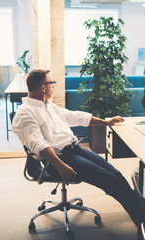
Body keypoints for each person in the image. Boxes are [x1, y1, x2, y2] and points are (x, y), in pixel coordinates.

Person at [12, 69, 138, 225]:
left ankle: (142, 209)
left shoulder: (48, 106)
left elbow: (74, 116)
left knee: (116, 174)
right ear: (43, 87)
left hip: (75, 150)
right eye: (52, 83)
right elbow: (39, 145)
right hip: (58, 160)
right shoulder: (25, 114)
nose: (53, 86)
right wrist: (61, 167)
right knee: (109, 180)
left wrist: (105, 122)